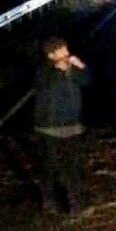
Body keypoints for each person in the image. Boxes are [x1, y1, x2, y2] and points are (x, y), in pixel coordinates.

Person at [32, 37, 90, 215]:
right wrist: (56, 70)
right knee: (50, 167)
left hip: (73, 126)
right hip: (49, 129)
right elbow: (41, 83)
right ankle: (49, 202)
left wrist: (81, 67)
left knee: (73, 168)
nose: (66, 54)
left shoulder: (72, 69)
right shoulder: (44, 71)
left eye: (66, 49)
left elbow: (86, 81)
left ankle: (76, 206)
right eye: (61, 51)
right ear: (51, 55)